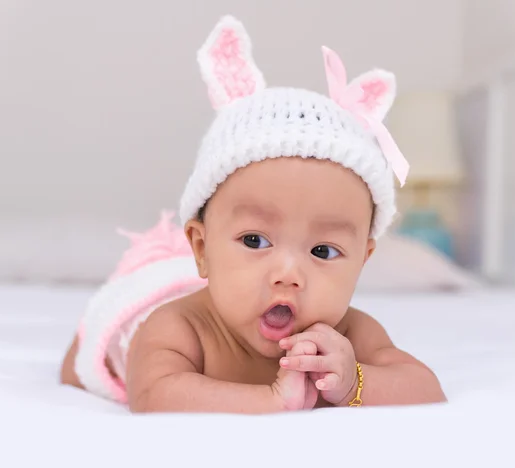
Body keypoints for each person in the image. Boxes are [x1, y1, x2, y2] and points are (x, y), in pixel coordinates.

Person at [60, 15, 446, 413]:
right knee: (82, 359)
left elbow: (426, 388)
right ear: (202, 248)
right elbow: (152, 395)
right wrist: (270, 399)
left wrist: (355, 383)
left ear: (363, 260)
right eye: (254, 240)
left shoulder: (350, 333)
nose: (288, 275)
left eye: (323, 252)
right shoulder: (180, 327)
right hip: (142, 314)